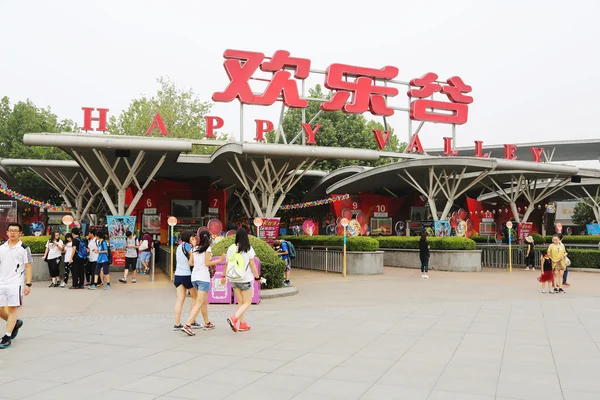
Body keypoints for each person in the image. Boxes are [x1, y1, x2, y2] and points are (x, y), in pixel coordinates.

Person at [182, 230, 225, 335]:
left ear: (199, 238)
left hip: (195, 278)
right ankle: (188, 324)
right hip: (203, 278)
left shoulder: (195, 248)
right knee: (199, 302)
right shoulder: (208, 249)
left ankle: (207, 323)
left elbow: (191, 263)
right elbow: (207, 263)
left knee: (203, 302)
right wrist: (220, 260)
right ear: (209, 238)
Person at [0, 223, 32, 349]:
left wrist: (28, 283)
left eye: (15, 231)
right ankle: (15, 323)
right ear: (7, 232)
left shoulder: (24, 248)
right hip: (1, 282)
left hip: (15, 283)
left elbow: (28, 266)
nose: (12, 233)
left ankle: (7, 336)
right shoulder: (1, 247)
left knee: (12, 309)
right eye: (10, 230)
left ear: (20, 233)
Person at [223, 228, 261, 333]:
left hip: (233, 279)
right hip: (245, 279)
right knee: (247, 302)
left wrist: (223, 276)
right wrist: (257, 277)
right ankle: (234, 318)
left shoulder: (231, 248)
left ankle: (242, 323)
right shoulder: (248, 248)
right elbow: (252, 265)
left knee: (240, 301)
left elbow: (226, 264)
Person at [173, 231, 199, 331]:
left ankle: (177, 323)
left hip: (178, 275)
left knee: (180, 300)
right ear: (189, 238)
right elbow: (192, 258)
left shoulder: (179, 247)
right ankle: (192, 320)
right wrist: (193, 248)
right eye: (192, 237)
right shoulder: (187, 246)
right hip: (186, 275)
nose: (194, 239)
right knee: (195, 297)